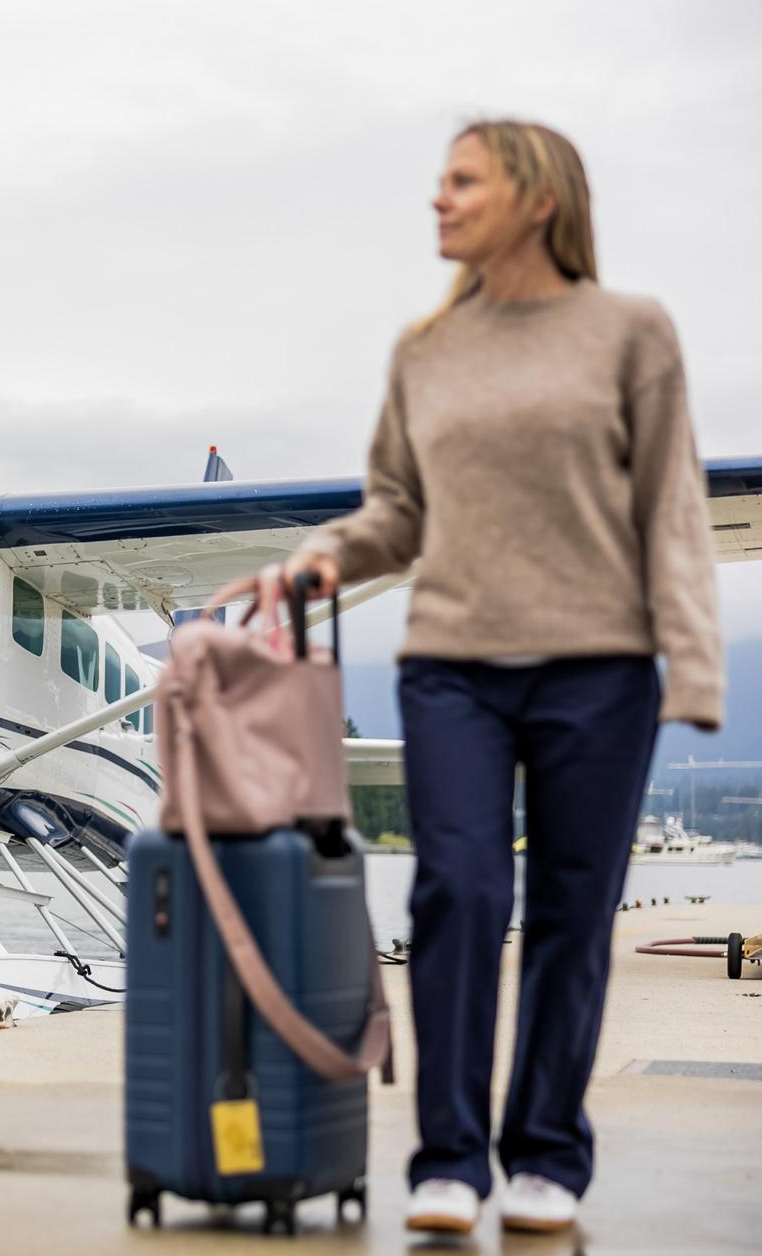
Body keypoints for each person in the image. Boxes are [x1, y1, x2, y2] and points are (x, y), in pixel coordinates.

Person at [283, 118, 722, 1235]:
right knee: (460, 892)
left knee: (574, 912)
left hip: (600, 664)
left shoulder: (630, 331)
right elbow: (400, 508)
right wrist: (329, 552)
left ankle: (547, 1155)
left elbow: (670, 506)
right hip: (453, 665)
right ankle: (448, 1156)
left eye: (462, 182)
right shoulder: (426, 350)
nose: (439, 200)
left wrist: (695, 661)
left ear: (535, 198)